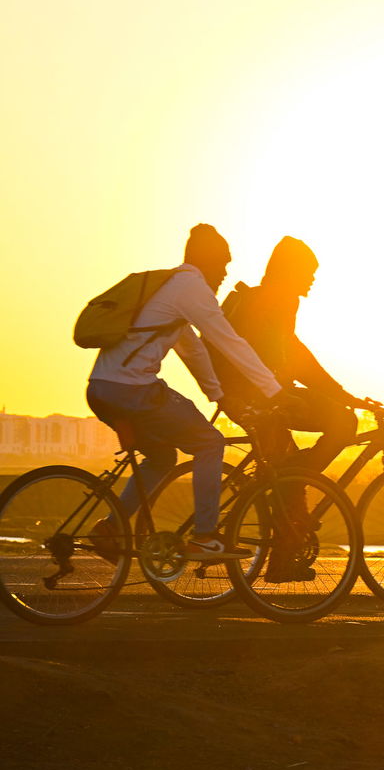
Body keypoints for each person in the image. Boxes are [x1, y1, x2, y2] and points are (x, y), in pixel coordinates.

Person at [86, 224, 285, 559]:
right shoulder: (192, 287)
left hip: (101, 388)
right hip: (132, 390)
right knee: (210, 443)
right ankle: (205, 537)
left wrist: (218, 395)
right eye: (223, 264)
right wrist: (274, 391)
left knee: (162, 458)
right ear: (206, 261)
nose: (225, 273)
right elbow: (230, 342)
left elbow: (193, 350)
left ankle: (109, 529)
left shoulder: (169, 287)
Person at [209, 236, 360, 476]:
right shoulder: (278, 301)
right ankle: (294, 483)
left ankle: (286, 486)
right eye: (308, 272)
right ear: (291, 272)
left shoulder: (270, 298)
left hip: (249, 395)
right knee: (344, 422)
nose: (312, 279)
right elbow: (296, 360)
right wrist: (340, 395)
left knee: (281, 467)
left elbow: (296, 355)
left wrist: (338, 393)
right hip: (259, 399)